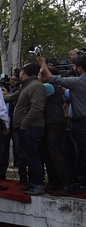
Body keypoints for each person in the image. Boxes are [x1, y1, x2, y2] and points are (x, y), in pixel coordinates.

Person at [38, 54, 86, 190]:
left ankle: (69, 182)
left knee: (77, 153)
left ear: (81, 69)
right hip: (76, 122)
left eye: (75, 66)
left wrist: (43, 63)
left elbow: (53, 79)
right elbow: (68, 94)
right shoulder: (77, 84)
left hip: (80, 122)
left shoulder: (79, 82)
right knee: (79, 154)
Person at [6, 63, 46, 195]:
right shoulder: (26, 86)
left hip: (31, 127)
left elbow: (37, 107)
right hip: (25, 127)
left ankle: (38, 185)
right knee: (28, 156)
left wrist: (24, 123)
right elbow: (13, 97)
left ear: (24, 72)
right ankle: (33, 183)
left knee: (32, 156)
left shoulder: (36, 86)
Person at [39, 66, 72, 195]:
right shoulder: (53, 86)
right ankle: (55, 181)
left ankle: (65, 182)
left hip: (54, 122)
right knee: (49, 153)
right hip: (51, 122)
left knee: (55, 152)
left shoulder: (48, 86)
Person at [0, 74, 24, 182]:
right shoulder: (4, 92)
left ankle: (23, 174)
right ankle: (1, 173)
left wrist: (9, 95)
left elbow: (20, 103)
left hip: (16, 125)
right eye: (11, 80)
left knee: (19, 150)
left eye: (15, 80)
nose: (12, 81)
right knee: (3, 150)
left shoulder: (20, 91)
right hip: (5, 125)